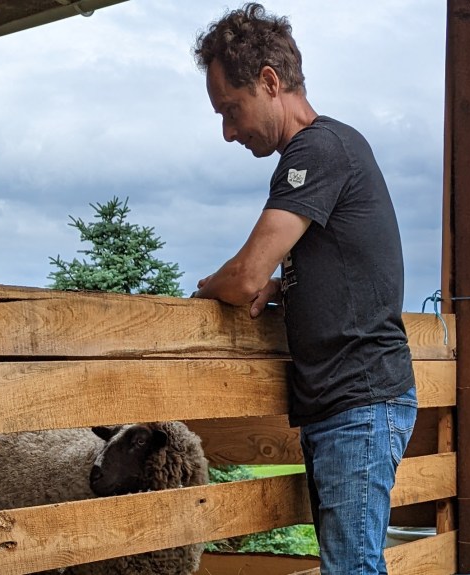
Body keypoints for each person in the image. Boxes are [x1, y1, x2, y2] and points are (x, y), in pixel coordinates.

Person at [191, 4, 417, 573]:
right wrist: (287, 292)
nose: (227, 132)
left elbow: (242, 275)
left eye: (231, 109)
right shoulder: (333, 150)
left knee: (352, 569)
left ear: (270, 82)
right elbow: (348, 272)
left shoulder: (317, 150)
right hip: (348, 404)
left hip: (358, 403)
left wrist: (208, 288)